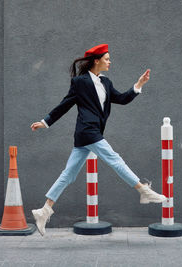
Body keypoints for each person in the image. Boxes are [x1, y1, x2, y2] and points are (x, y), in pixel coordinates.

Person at [30, 44, 166, 236]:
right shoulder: (80, 82)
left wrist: (139, 84)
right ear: (97, 60)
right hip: (88, 130)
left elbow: (122, 99)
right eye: (107, 58)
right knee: (115, 159)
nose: (110, 61)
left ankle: (44, 211)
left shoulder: (106, 82)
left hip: (89, 133)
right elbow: (65, 104)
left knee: (68, 174)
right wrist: (45, 122)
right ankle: (143, 190)